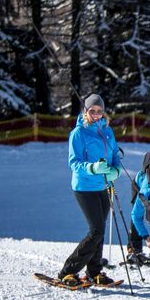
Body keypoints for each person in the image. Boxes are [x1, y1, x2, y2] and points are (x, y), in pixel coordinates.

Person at [58, 94, 120, 286]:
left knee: (99, 231)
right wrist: (93, 168)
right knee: (96, 230)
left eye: (99, 111)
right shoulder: (78, 133)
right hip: (84, 187)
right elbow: (73, 163)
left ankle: (94, 272)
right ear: (85, 111)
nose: (95, 114)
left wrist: (115, 171)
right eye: (92, 110)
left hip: (103, 186)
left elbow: (115, 154)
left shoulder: (107, 131)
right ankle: (68, 271)